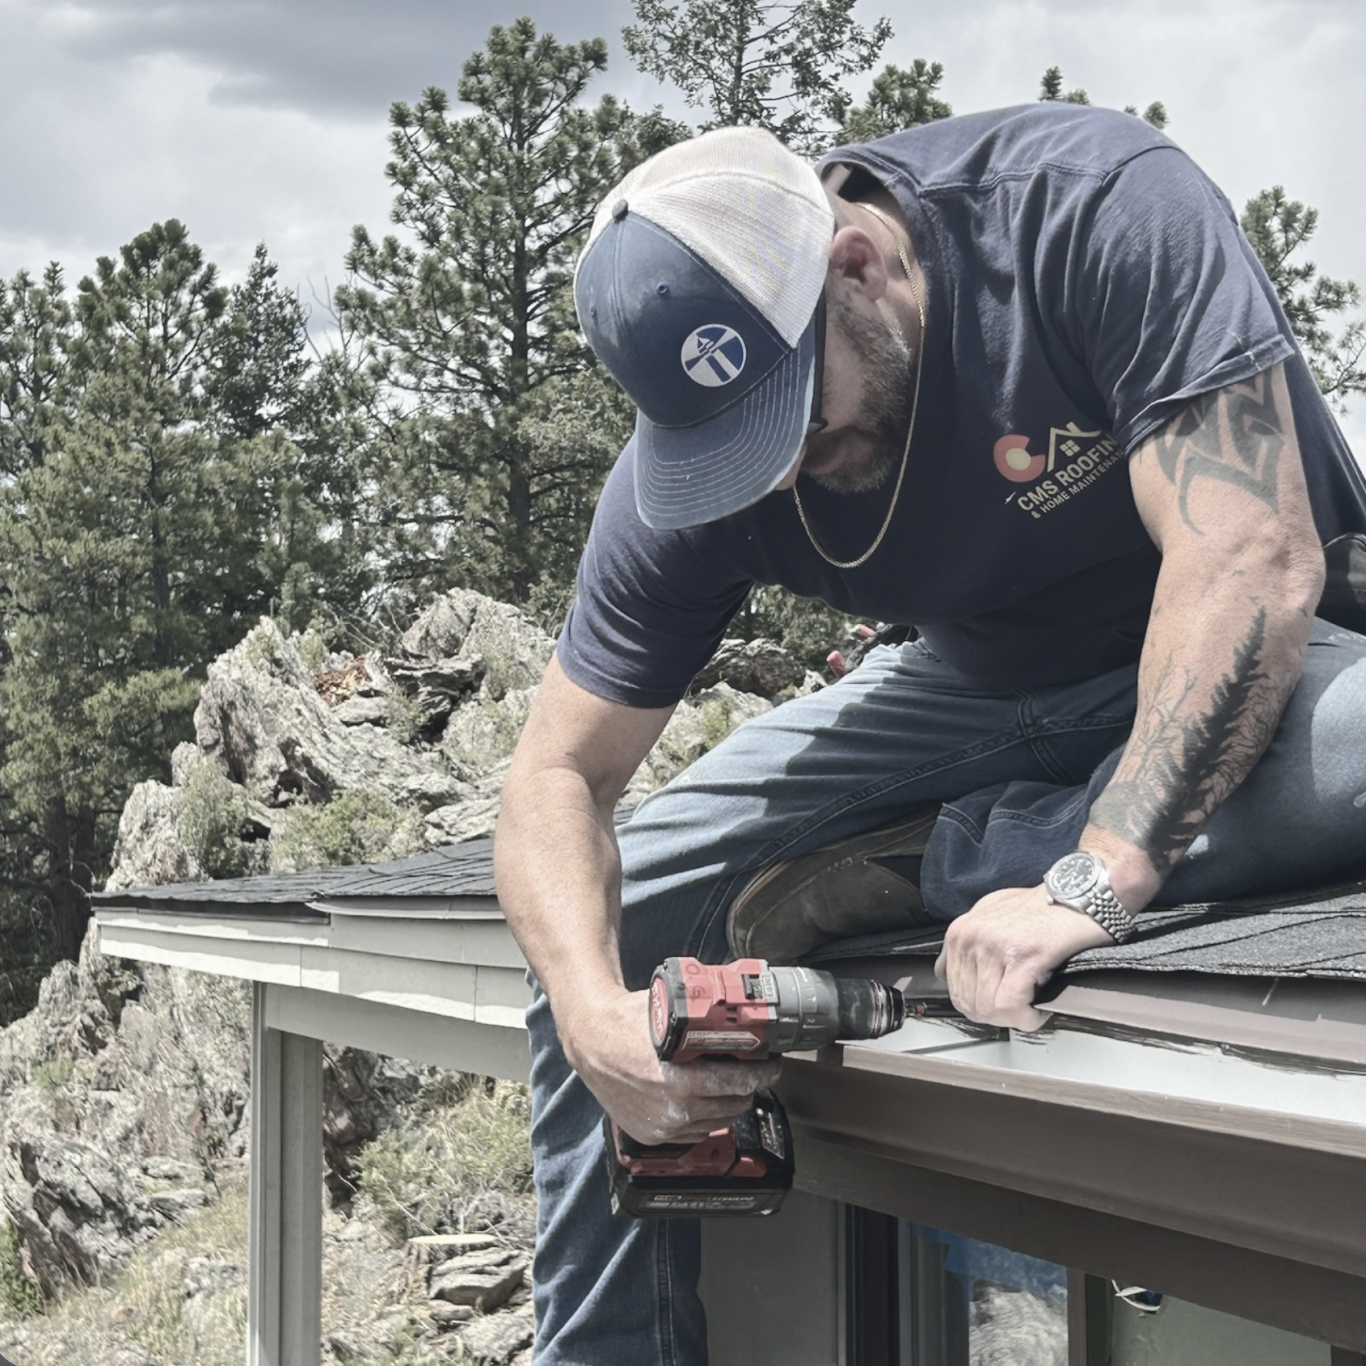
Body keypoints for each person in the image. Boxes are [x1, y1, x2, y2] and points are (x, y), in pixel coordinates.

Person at [492, 107, 1366, 1365]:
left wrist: (1089, 874)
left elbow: (1249, 556)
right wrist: (591, 1021)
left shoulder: (1089, 206)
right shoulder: (702, 463)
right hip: (977, 689)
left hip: (1261, 639)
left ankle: (949, 854)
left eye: (800, 417)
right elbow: (555, 778)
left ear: (854, 260)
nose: (779, 472)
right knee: (634, 898)